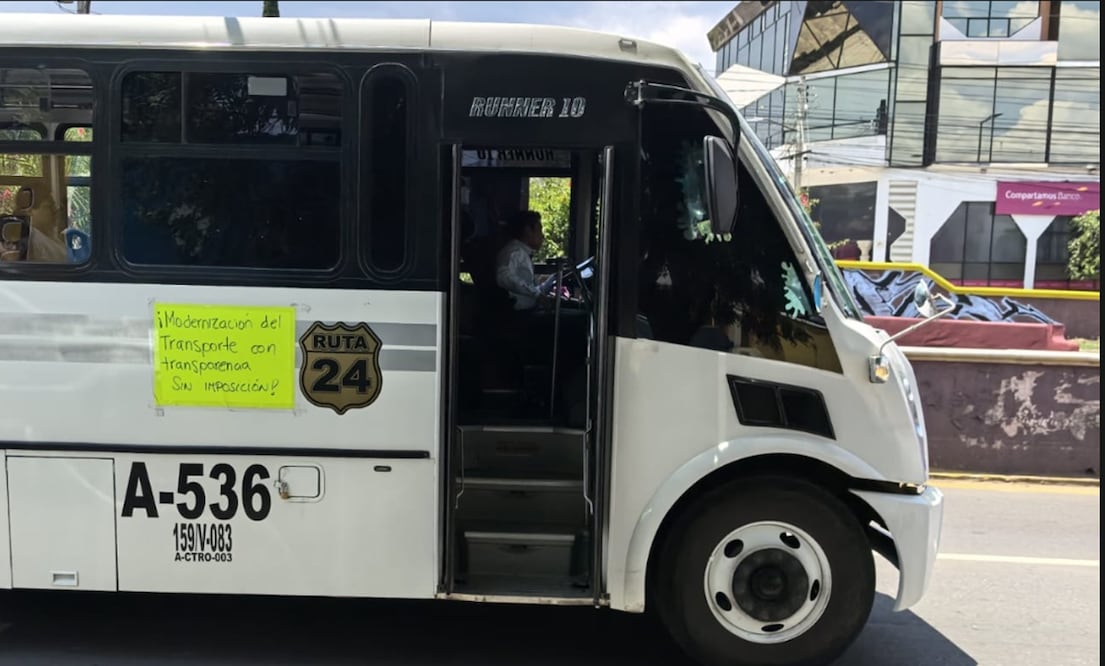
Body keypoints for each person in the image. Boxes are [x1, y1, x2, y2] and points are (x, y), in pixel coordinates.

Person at [495, 210, 551, 311]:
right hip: (518, 316)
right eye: (539, 230)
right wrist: (537, 294)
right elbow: (503, 276)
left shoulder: (522, 253)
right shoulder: (514, 252)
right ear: (528, 230)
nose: (542, 236)